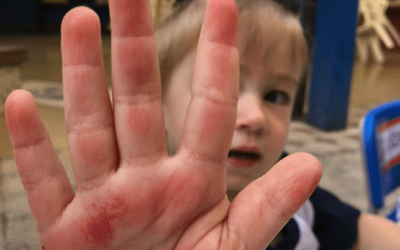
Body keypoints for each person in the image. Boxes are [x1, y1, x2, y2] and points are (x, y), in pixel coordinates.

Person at [3, 0, 399, 250]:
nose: (255, 117)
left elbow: (365, 231)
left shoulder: (298, 200)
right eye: (221, 89)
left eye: (276, 96)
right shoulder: (129, 220)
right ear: (155, 106)